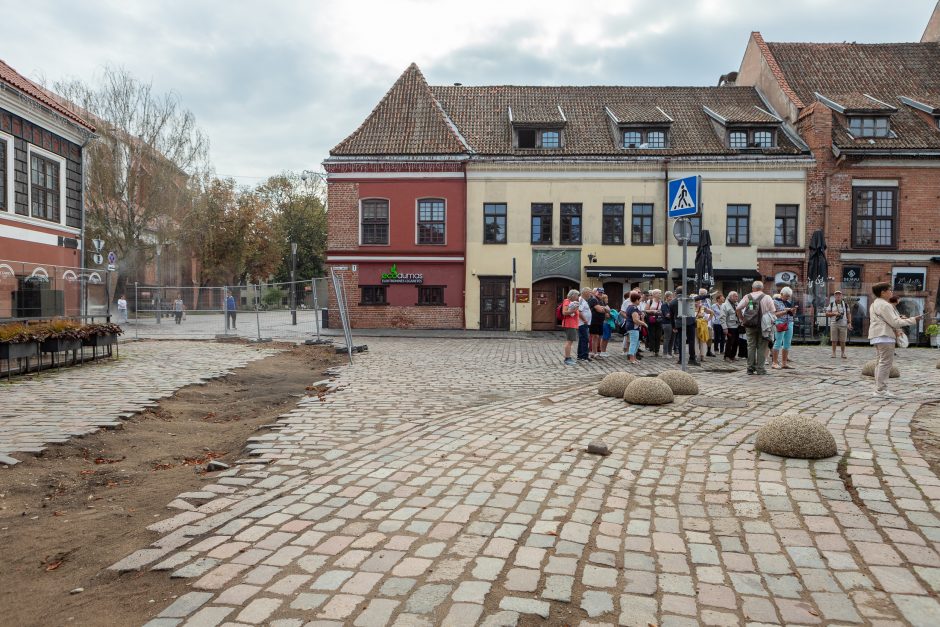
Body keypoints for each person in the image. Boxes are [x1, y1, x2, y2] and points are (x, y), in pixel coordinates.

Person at [868, 282, 920, 398]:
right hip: (885, 335)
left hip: (877, 335)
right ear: (883, 292)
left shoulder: (875, 304)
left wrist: (899, 318)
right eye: (889, 290)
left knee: (880, 362)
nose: (891, 292)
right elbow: (895, 323)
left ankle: (878, 388)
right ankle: (881, 390)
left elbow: (887, 319)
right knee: (885, 363)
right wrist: (913, 320)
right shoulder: (885, 305)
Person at [736, 280, 776, 375]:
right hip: (764, 326)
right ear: (762, 288)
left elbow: (738, 308)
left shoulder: (748, 297)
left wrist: (742, 319)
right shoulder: (767, 297)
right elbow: (773, 311)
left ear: (753, 288)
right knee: (762, 347)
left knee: (751, 346)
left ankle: (750, 368)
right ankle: (760, 369)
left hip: (750, 325)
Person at [670, 287, 699, 366]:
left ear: (677, 292)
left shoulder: (672, 302)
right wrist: (708, 295)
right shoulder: (688, 299)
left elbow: (672, 316)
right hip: (690, 323)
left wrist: (673, 326)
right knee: (691, 341)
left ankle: (681, 359)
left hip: (679, 324)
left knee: (681, 342)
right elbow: (698, 298)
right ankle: (692, 359)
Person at [771, 286, 797, 369]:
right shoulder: (775, 302)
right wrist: (785, 312)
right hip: (780, 322)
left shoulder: (788, 302)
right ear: (781, 294)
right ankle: (774, 362)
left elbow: (791, 314)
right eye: (786, 296)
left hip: (789, 322)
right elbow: (774, 314)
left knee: (787, 342)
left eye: (789, 296)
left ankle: (784, 363)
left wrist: (793, 311)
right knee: (778, 342)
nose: (788, 297)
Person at [826, 290, 852, 359]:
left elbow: (849, 314)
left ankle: (843, 353)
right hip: (834, 323)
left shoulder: (846, 304)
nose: (838, 296)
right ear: (834, 296)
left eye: (839, 295)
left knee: (843, 340)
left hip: (843, 324)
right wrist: (834, 313)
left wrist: (849, 322)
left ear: (841, 296)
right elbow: (827, 314)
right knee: (834, 339)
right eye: (836, 295)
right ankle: (833, 353)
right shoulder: (831, 304)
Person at [623, 292, 647, 364]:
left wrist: (642, 317)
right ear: (636, 300)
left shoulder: (633, 307)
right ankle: (631, 358)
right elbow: (635, 320)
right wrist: (644, 324)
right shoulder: (633, 308)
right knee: (633, 343)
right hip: (633, 328)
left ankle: (634, 358)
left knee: (636, 343)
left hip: (635, 328)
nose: (640, 301)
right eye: (639, 300)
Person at [560, 289, 580, 366]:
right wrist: (574, 310)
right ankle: (567, 358)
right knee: (569, 341)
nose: (577, 297)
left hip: (573, 324)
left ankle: (568, 358)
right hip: (569, 324)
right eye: (577, 295)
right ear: (573, 295)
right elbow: (564, 312)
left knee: (570, 341)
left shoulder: (572, 302)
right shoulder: (567, 301)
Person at [720, 291, 740, 362]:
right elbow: (722, 317)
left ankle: (733, 356)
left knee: (736, 342)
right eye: (735, 296)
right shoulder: (724, 305)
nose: (737, 298)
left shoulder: (737, 304)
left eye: (737, 296)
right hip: (729, 326)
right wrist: (724, 327)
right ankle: (727, 356)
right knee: (730, 342)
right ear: (730, 297)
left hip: (737, 326)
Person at [588, 288, 608, 358]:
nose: (600, 293)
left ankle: (596, 351)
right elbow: (599, 310)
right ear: (596, 292)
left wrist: (604, 308)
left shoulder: (601, 300)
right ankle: (594, 352)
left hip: (600, 321)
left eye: (601, 292)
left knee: (599, 336)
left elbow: (608, 309)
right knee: (595, 336)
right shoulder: (594, 299)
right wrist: (604, 309)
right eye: (599, 292)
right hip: (594, 321)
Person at [645, 289, 664, 356]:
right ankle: (652, 350)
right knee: (652, 335)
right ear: (654, 294)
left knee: (658, 335)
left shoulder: (661, 302)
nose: (660, 294)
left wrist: (661, 312)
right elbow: (646, 310)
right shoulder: (650, 301)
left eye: (660, 293)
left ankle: (657, 351)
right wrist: (653, 311)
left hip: (659, 320)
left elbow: (663, 310)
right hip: (651, 320)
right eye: (659, 293)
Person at [577, 287, 592, 362]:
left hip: (584, 323)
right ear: (585, 292)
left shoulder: (584, 300)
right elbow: (579, 311)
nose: (590, 294)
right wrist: (584, 320)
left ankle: (580, 355)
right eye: (589, 292)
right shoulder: (581, 300)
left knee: (582, 339)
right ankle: (584, 356)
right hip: (582, 323)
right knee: (585, 339)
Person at [599, 292, 613, 356]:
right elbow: (607, 315)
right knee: (604, 338)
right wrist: (612, 314)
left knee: (607, 338)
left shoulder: (607, 306)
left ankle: (604, 351)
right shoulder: (603, 306)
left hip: (608, 323)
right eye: (606, 298)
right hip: (605, 323)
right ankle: (602, 351)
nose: (607, 300)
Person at [661, 291, 675, 357]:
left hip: (673, 323)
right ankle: (665, 353)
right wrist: (674, 315)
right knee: (667, 338)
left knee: (672, 339)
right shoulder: (664, 305)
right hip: (667, 324)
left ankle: (670, 353)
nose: (671, 298)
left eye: (672, 297)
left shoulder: (672, 304)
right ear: (666, 297)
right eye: (670, 297)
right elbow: (667, 315)